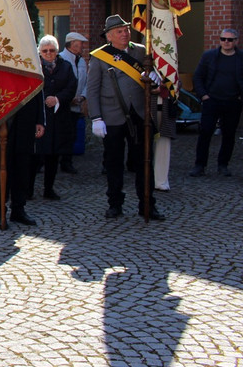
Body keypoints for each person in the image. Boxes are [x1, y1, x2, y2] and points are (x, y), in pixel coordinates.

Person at [86, 14, 164, 220]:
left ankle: (147, 204)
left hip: (139, 114)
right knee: (114, 162)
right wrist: (96, 117)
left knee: (144, 161)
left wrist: (155, 80)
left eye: (126, 30)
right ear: (109, 36)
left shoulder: (140, 51)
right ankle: (114, 203)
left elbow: (154, 80)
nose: (124, 34)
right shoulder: (100, 56)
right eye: (119, 31)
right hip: (112, 116)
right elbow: (92, 89)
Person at [190, 28, 243, 176]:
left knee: (229, 135)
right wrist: (203, 95)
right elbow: (198, 77)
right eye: (223, 39)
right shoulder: (209, 56)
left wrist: (242, 98)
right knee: (205, 133)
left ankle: (223, 165)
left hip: (233, 102)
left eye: (230, 40)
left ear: (236, 41)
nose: (226, 42)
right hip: (211, 101)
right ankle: (199, 165)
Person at [32, 35, 77, 200]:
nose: (49, 53)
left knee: (53, 156)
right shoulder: (34, 67)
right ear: (40, 52)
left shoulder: (66, 67)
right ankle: (28, 189)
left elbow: (72, 86)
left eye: (52, 50)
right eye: (45, 51)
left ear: (57, 51)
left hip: (59, 117)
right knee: (35, 156)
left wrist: (57, 98)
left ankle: (48, 188)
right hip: (39, 117)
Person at [0, 91, 44, 229]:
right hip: (5, 115)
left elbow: (38, 86)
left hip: (27, 116)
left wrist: (40, 119)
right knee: (2, 166)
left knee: (22, 167)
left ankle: (18, 209)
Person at [58, 31, 89, 173]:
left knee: (72, 134)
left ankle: (67, 161)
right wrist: (68, 98)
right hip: (64, 105)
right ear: (72, 43)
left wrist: (82, 96)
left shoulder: (81, 61)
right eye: (80, 43)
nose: (82, 46)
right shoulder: (61, 58)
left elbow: (87, 81)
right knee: (61, 133)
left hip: (77, 104)